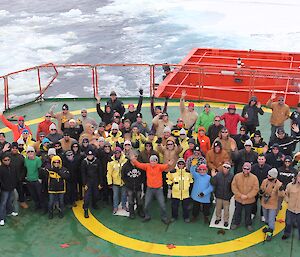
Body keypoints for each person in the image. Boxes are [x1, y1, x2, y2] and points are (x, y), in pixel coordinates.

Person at [130, 154, 173, 224]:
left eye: (154, 161)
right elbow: (138, 164)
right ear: (149, 161)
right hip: (149, 189)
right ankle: (147, 216)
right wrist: (133, 159)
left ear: (157, 161)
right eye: (151, 161)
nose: (152, 162)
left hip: (158, 189)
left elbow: (167, 166)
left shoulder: (159, 167)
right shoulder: (147, 166)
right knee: (146, 204)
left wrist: (169, 164)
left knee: (162, 205)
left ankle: (164, 217)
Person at [231, 162, 259, 231]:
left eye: (248, 169)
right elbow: (233, 186)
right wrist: (240, 195)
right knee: (237, 212)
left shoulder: (254, 178)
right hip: (239, 199)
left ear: (250, 169)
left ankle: (248, 224)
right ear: (242, 168)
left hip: (249, 200)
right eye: (244, 168)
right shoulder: (237, 176)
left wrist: (247, 196)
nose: (246, 170)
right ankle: (236, 223)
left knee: (248, 213)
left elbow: (256, 189)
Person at [260, 168, 284, 241]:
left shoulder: (279, 184)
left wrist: (280, 190)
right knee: (266, 217)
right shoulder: (265, 181)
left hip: (273, 205)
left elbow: (282, 195)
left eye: (269, 175)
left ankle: (270, 232)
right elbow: (262, 189)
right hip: (264, 202)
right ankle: (267, 226)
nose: (268, 176)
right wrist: (261, 191)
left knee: (271, 219)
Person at [166, 158, 193, 223]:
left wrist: (188, 187)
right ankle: (174, 216)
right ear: (177, 164)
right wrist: (170, 184)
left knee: (185, 207)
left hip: (185, 193)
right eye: (179, 164)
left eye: (182, 164)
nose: (181, 165)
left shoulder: (188, 172)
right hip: (175, 193)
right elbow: (168, 179)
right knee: (174, 206)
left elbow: (191, 180)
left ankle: (186, 217)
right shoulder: (172, 172)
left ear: (184, 164)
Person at [121, 150, 145, 219]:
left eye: (135, 156)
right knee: (131, 201)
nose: (134, 157)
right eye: (132, 156)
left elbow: (143, 174)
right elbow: (123, 176)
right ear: (129, 157)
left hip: (138, 186)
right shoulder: (125, 166)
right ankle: (131, 213)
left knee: (139, 200)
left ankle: (140, 211)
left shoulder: (140, 165)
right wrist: (127, 183)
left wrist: (141, 182)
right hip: (129, 187)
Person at [210, 162, 234, 227]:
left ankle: (226, 220)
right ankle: (218, 218)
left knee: (226, 209)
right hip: (218, 195)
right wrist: (213, 177)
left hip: (227, 196)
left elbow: (233, 187)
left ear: (230, 168)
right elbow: (213, 183)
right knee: (218, 208)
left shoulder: (232, 176)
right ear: (222, 167)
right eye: (225, 167)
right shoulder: (218, 175)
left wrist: (230, 195)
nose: (226, 168)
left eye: (228, 167)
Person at [81, 149, 102, 218]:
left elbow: (100, 172)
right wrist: (84, 184)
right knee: (87, 196)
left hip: (95, 180)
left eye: (91, 155)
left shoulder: (97, 161)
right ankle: (86, 209)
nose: (90, 156)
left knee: (96, 194)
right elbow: (83, 174)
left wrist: (100, 183)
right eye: (88, 155)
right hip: (88, 181)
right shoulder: (84, 162)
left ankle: (94, 204)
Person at [251, 154, 272, 220]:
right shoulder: (253, 167)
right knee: (254, 201)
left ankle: (262, 215)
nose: (261, 161)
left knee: (263, 202)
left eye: (262, 159)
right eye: (259, 159)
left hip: (264, 189)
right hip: (255, 188)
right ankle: (253, 213)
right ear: (257, 160)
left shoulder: (269, 168)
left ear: (265, 160)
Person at [107, 147, 127, 214]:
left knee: (124, 195)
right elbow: (109, 173)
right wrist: (110, 182)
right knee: (115, 196)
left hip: (124, 181)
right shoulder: (111, 162)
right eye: (116, 153)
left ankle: (124, 206)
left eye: (118, 152)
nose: (117, 154)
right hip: (115, 182)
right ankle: (115, 207)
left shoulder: (125, 160)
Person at [0, 153, 19, 226]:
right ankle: (1, 218)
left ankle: (10, 211)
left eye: (8, 160)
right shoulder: (1, 169)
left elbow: (15, 176)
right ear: (2, 161)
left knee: (10, 200)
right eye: (5, 160)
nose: (7, 161)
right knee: (3, 203)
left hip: (11, 187)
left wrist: (14, 184)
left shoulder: (12, 167)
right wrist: (3, 186)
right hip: (4, 189)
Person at [282, 171, 300, 240]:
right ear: (297, 177)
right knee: (288, 223)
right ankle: (286, 233)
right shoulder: (290, 185)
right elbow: (286, 194)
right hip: (290, 209)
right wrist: (288, 200)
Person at [24, 146, 43, 210]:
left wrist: (40, 179)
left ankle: (42, 207)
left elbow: (40, 170)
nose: (30, 153)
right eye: (28, 151)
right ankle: (37, 205)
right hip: (29, 180)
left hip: (36, 180)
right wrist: (26, 177)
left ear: (34, 152)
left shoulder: (37, 159)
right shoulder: (25, 159)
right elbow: (25, 168)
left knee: (40, 194)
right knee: (33, 195)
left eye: (31, 151)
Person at [10, 142, 28, 209]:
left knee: (21, 191)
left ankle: (22, 202)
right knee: (9, 192)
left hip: (18, 178)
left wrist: (21, 177)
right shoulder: (7, 156)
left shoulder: (21, 157)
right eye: (13, 148)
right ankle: (10, 204)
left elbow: (24, 168)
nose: (14, 149)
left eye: (16, 148)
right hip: (10, 178)